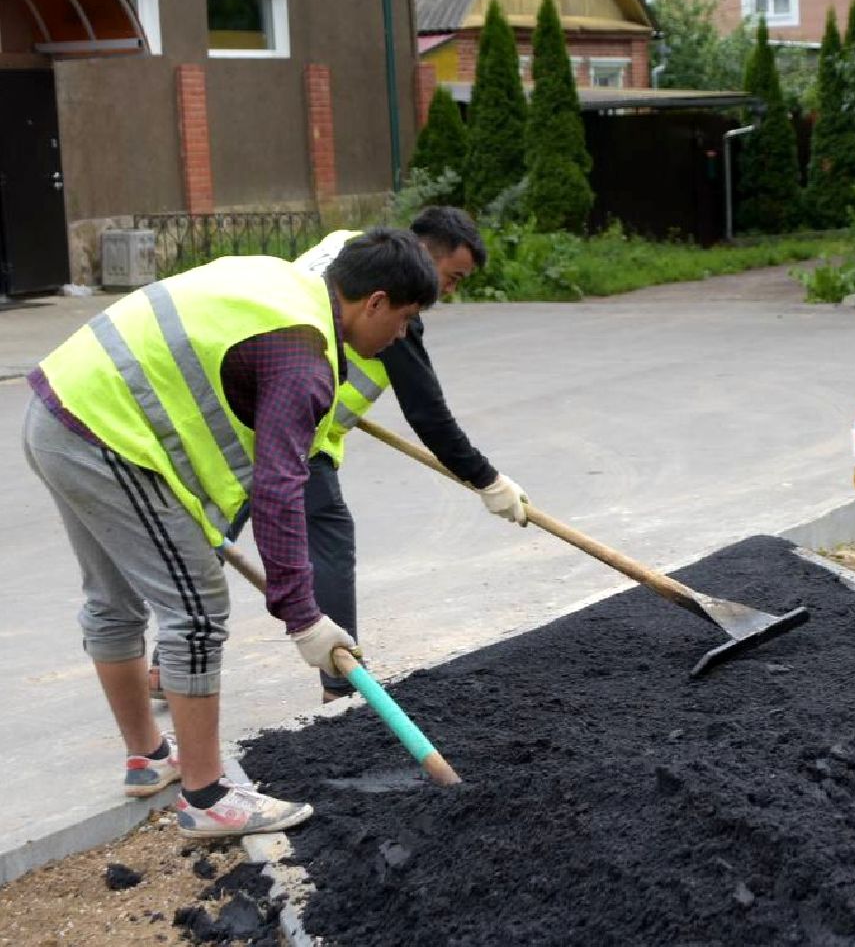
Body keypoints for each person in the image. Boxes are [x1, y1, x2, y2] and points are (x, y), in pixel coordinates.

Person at [23, 228, 439, 839]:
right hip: (105, 436)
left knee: (112, 602)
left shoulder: (284, 284)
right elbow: (277, 491)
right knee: (196, 607)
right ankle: (205, 796)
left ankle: (148, 758)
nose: (402, 335)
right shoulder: (306, 357)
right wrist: (303, 617)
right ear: (374, 301)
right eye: (404, 318)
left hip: (60, 410)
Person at [259, 206, 527, 704]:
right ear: (425, 253)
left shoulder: (345, 245)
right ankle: (343, 683)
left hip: (259, 402)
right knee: (328, 534)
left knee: (212, 531)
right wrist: (487, 481)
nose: (448, 293)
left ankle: (168, 668)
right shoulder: (387, 303)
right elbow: (428, 415)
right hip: (290, 428)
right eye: (453, 278)